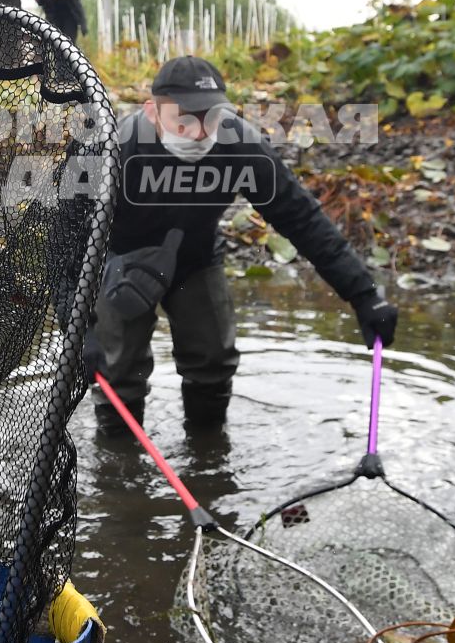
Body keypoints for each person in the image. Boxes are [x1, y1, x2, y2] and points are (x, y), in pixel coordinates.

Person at [87, 55, 397, 437]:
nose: (200, 132)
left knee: (213, 357)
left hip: (195, 257)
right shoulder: (115, 151)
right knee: (117, 369)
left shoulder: (239, 144)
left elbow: (301, 218)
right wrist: (79, 328)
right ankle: (121, 471)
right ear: (152, 112)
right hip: (120, 258)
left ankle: (208, 455)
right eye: (184, 118)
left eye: (211, 117)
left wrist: (363, 294)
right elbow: (68, 240)